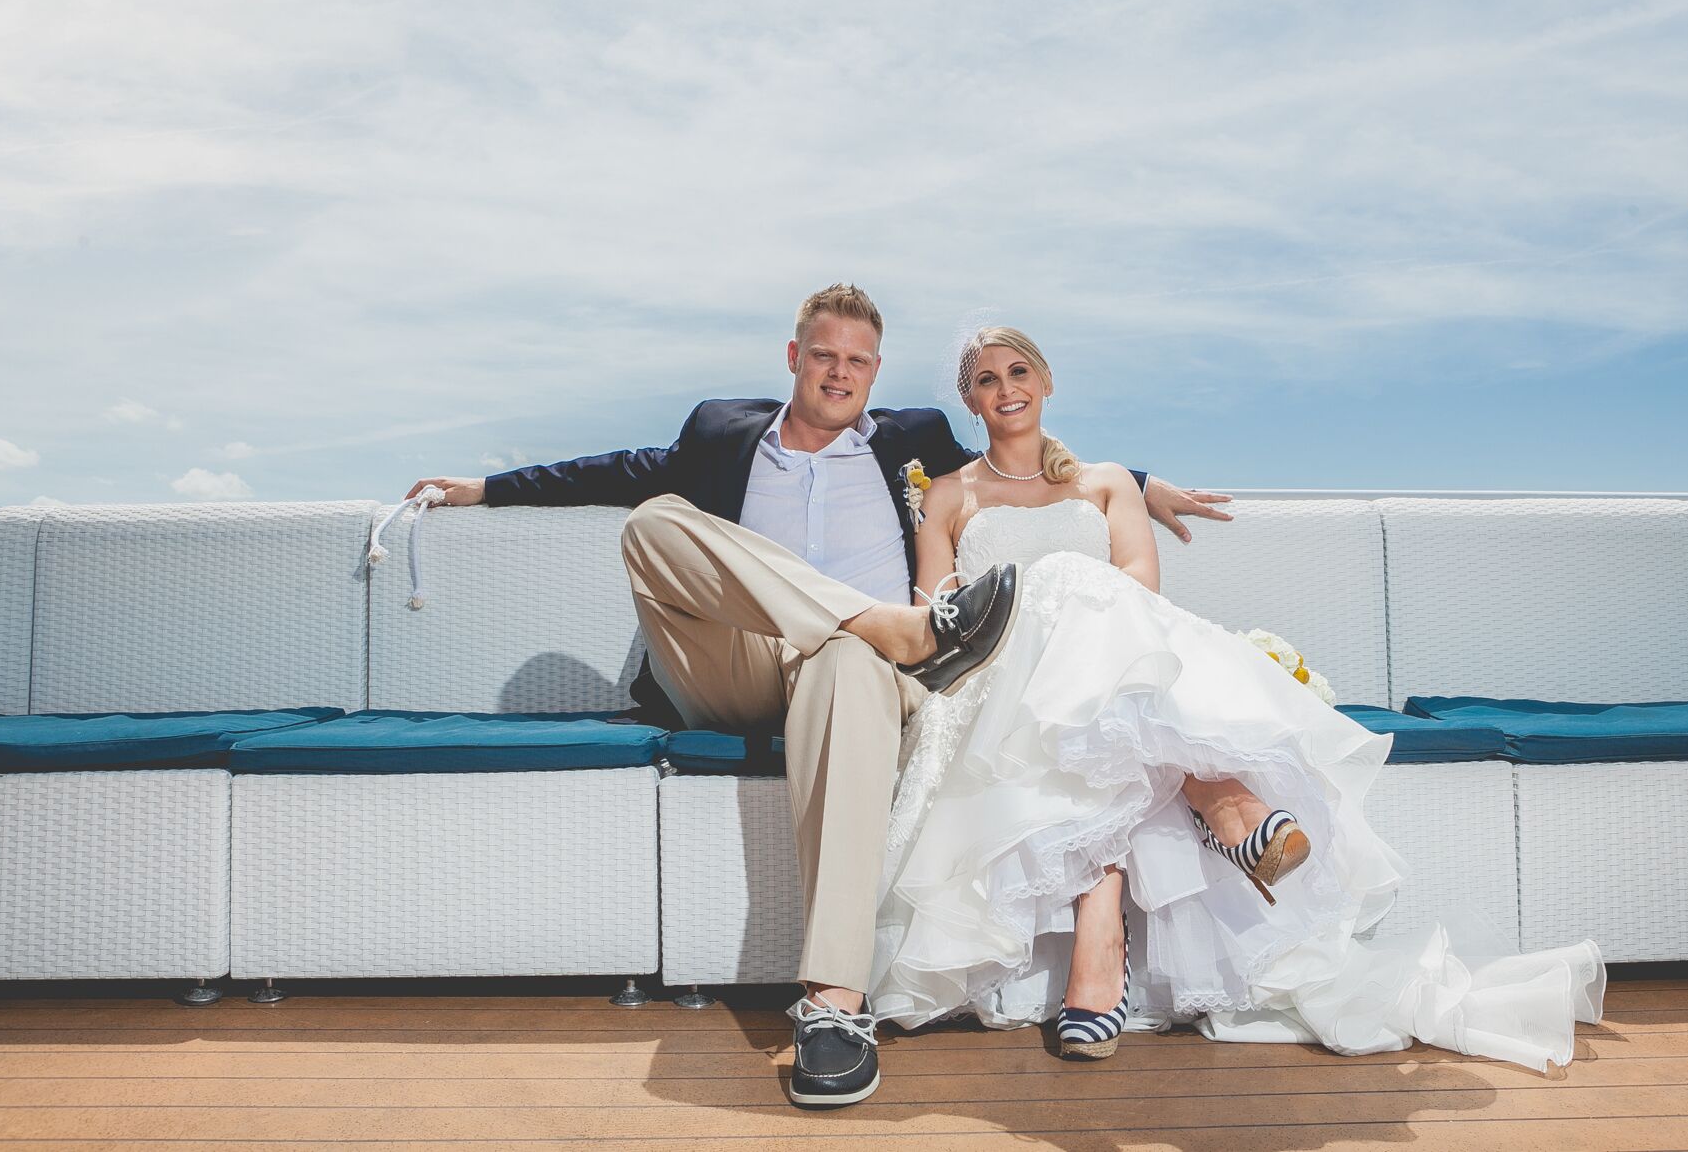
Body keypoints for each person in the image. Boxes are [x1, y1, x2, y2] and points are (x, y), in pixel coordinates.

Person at [405, 284, 1231, 1108]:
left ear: (875, 371)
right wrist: (486, 486)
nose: (840, 372)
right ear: (794, 357)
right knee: (652, 520)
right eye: (825, 354)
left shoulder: (912, 440)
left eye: (857, 360)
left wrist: (1142, 483)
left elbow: (1019, 449)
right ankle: (890, 624)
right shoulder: (719, 431)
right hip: (733, 664)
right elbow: (620, 470)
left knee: (844, 658)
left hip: (850, 676)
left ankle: (833, 1005)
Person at [868, 325, 1606, 1072]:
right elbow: (935, 608)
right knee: (1068, 596)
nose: (1005, 388)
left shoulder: (1105, 482)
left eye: (1017, 370)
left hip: (1106, 663)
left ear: (1047, 380)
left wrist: (1064, 613)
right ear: (969, 399)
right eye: (986, 380)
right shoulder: (951, 495)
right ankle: (1223, 803)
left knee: (1094, 635)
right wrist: (1026, 605)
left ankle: (1106, 936)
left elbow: (1137, 585)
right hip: (1001, 673)